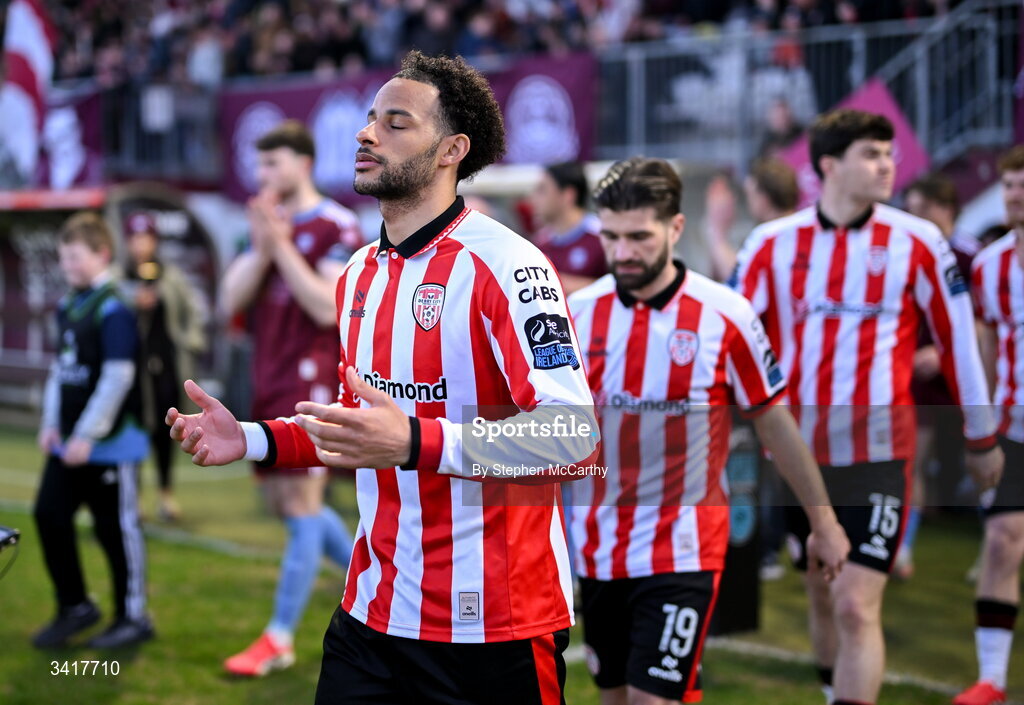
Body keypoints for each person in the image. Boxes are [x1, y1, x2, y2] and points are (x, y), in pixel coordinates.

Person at [168, 51, 599, 704]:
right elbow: (359, 428)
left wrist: (417, 441)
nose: (367, 134)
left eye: (396, 122)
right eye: (370, 119)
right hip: (372, 612)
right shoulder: (362, 272)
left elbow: (573, 436)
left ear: (453, 149)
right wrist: (253, 439)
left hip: (493, 625)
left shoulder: (509, 264)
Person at [732, 109, 1003, 705]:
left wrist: (982, 436)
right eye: (872, 154)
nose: (888, 165)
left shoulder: (918, 241)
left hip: (882, 451)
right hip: (798, 456)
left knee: (855, 604)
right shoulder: (771, 245)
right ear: (828, 165)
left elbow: (958, 338)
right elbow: (733, 339)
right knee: (822, 593)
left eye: (889, 154)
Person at [566, 157, 849, 705]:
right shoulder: (576, 314)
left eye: (639, 237)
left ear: (675, 228)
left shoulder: (726, 314)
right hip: (597, 549)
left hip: (684, 550)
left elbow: (775, 422)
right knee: (616, 697)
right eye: (612, 237)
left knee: (654, 699)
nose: (623, 252)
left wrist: (824, 521)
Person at [217, 120, 362, 677]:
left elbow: (327, 307)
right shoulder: (263, 226)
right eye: (258, 166)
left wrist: (280, 248)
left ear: (302, 163)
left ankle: (278, 637)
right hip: (269, 376)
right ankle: (389, 581)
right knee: (290, 508)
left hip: (313, 378)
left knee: (302, 506)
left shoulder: (336, 224)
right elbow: (230, 299)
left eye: (273, 164)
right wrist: (264, 246)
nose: (263, 176)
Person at [32, 212, 153, 649]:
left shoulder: (114, 306)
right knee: (49, 515)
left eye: (75, 256)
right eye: (63, 257)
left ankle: (134, 616)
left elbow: (117, 378)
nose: (67, 265)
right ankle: (74, 605)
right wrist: (51, 424)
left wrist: (87, 434)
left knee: (115, 529)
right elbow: (60, 370)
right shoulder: (68, 304)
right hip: (68, 444)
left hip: (110, 444)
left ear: (102, 253)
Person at [953, 145, 1024, 705]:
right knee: (1001, 541)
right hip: (1013, 425)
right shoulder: (990, 265)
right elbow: (983, 344)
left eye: (1023, 183)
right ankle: (991, 680)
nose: (1015, 193)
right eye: (1009, 185)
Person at [897, 173, 978, 580]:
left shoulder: (971, 257)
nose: (916, 217)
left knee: (983, 460)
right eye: (911, 209)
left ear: (946, 208)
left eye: (924, 208)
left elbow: (982, 323)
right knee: (915, 459)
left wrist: (943, 354)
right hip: (919, 383)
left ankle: (997, 540)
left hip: (970, 379)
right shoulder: (908, 252)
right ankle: (904, 548)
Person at [122, 211, 206, 522]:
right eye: (134, 237)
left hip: (167, 367)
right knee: (133, 432)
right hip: (131, 371)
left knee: (167, 431)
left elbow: (193, 313)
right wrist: (134, 301)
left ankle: (165, 495)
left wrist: (190, 343)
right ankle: (132, 498)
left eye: (146, 237)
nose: (140, 244)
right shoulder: (119, 277)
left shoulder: (171, 276)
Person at [703, 158, 799, 283]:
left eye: (749, 195)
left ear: (763, 200)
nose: (747, 203)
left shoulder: (770, 238)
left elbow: (739, 279)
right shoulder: (802, 233)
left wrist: (717, 232)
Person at [528, 160, 608, 294]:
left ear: (567, 195)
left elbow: (620, 287)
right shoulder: (540, 244)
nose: (533, 199)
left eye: (542, 190)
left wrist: (557, 284)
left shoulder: (603, 237)